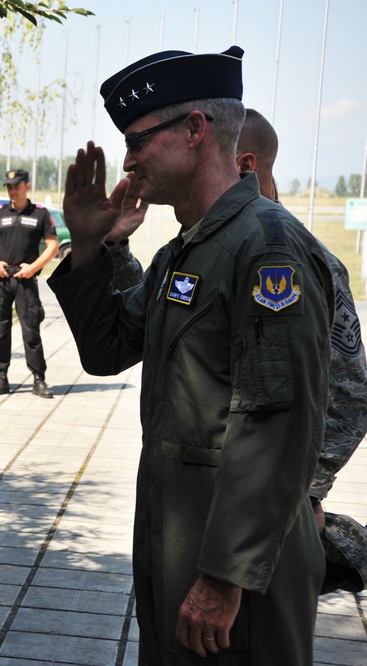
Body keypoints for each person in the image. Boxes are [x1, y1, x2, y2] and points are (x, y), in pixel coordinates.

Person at [49, 47, 333, 664]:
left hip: (240, 569)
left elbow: (277, 423)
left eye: (138, 140)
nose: (126, 160)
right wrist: (88, 247)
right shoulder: (186, 250)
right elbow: (105, 351)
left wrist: (225, 575)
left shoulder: (266, 249)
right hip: (182, 541)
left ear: (196, 130)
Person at [105, 105, 367, 599]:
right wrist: (112, 250)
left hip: (262, 528)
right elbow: (138, 328)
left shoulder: (279, 252)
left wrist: (305, 493)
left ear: (243, 164)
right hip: (201, 516)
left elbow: (346, 396)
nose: (128, 162)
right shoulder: (198, 243)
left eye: (138, 143)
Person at [0, 168, 58, 398]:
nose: (12, 191)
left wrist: (33, 268)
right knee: (0, 332)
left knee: (31, 332)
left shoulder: (40, 214)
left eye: (17, 186)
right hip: (0, 280)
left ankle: (38, 379)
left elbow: (52, 246)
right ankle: (1, 378)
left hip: (26, 280)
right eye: (9, 187)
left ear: (27, 186)